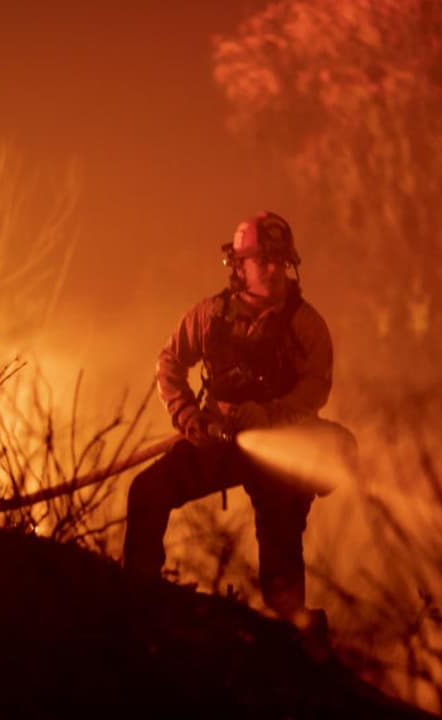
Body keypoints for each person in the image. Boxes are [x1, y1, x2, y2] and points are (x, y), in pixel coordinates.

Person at [123, 211, 334, 629]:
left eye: (280, 260)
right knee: (147, 492)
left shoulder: (305, 325)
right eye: (263, 260)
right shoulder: (210, 317)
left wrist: (271, 414)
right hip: (217, 440)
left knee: (281, 537)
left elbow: (316, 388)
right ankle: (136, 603)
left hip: (276, 449)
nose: (274, 269)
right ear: (239, 265)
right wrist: (188, 417)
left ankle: (296, 631)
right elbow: (169, 363)